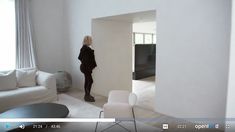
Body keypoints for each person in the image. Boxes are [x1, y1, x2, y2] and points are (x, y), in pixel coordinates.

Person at [78, 36, 97, 102]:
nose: (91, 41)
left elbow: (79, 57)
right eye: (91, 40)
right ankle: (87, 96)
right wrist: (88, 67)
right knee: (90, 81)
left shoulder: (84, 48)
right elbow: (86, 60)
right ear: (88, 41)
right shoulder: (86, 49)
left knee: (87, 80)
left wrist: (84, 63)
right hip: (86, 68)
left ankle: (87, 95)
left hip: (84, 67)